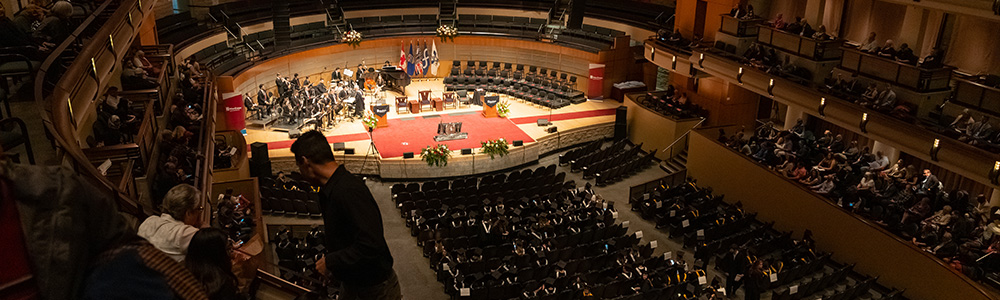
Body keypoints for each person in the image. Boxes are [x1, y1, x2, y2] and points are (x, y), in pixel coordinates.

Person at [290, 130, 402, 300]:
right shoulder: (332, 189)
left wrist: (331, 261)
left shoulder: (348, 191)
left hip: (374, 290)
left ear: (305, 162)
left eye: (299, 166)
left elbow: (371, 244)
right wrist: (336, 268)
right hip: (354, 285)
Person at [138, 184, 204, 261]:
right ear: (188, 213)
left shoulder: (149, 221)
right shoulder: (184, 233)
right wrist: (204, 228)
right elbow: (214, 245)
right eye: (199, 209)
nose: (200, 213)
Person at [185, 228, 241, 300]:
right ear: (217, 255)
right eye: (228, 249)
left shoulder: (181, 278)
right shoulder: (222, 286)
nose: (231, 254)